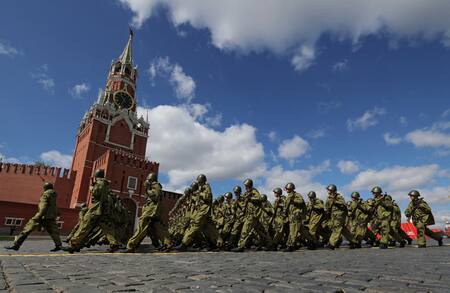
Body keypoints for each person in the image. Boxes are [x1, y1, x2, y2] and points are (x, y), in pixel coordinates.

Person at [5, 182, 62, 252]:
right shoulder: (54, 195)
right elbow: (54, 206)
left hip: (42, 216)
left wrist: (39, 215)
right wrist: (57, 213)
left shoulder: (45, 194)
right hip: (51, 217)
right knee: (54, 232)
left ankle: (16, 245)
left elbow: (43, 205)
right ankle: (58, 245)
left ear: (45, 188)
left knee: (26, 230)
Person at [126, 173, 172, 253]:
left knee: (141, 226)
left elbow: (156, 197)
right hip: (151, 209)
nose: (147, 181)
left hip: (151, 210)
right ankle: (167, 244)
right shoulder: (152, 187)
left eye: (148, 179)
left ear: (151, 180)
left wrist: (147, 189)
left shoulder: (156, 186)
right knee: (156, 228)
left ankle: (131, 246)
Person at [325, 184, 355, 250]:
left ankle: (331, 244)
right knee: (343, 230)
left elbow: (343, 204)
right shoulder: (329, 198)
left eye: (328, 190)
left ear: (332, 190)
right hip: (333, 216)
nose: (327, 191)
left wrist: (335, 201)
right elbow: (327, 207)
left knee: (337, 228)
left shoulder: (338, 197)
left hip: (339, 216)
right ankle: (353, 241)